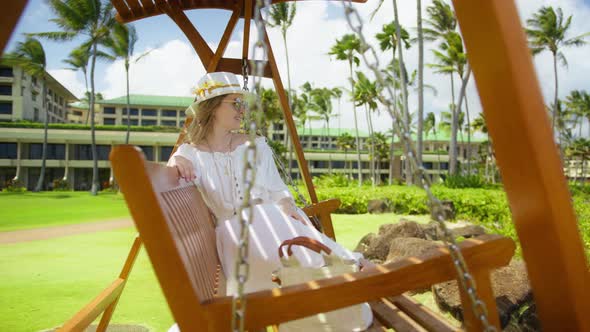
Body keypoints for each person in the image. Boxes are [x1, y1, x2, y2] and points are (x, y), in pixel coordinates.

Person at [167, 72, 372, 331]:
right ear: (213, 107)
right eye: (235, 102)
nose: (243, 109)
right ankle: (351, 266)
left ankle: (344, 272)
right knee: (263, 220)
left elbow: (277, 189)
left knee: (273, 217)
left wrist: (287, 205)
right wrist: (176, 160)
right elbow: (172, 169)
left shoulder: (255, 145)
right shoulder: (191, 153)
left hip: (269, 224)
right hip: (234, 237)